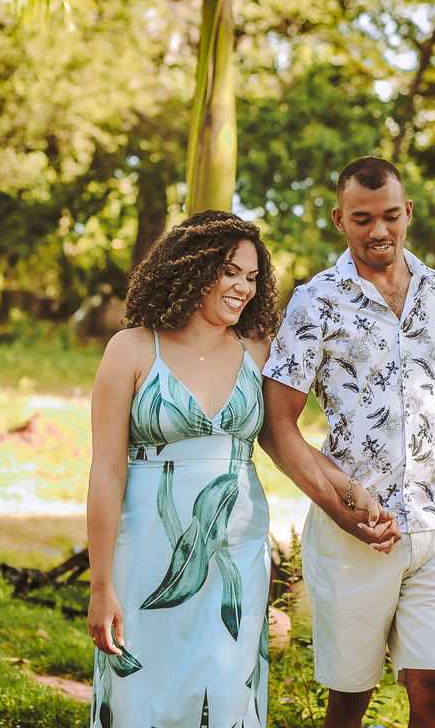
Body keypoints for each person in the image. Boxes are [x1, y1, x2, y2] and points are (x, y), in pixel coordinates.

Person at [259, 157, 435, 728]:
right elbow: (276, 425)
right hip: (359, 533)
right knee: (349, 701)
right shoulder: (315, 301)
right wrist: (342, 512)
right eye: (362, 219)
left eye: (390, 215)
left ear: (407, 212)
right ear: (341, 219)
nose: (379, 230)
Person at [84, 211, 280, 728]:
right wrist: (101, 584)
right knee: (142, 692)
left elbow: (289, 440)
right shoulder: (131, 348)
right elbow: (106, 471)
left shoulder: (259, 352)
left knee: (226, 691)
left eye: (251, 277)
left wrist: (346, 493)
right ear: (192, 268)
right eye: (230, 272)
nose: (243, 287)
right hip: (145, 551)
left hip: (237, 551)